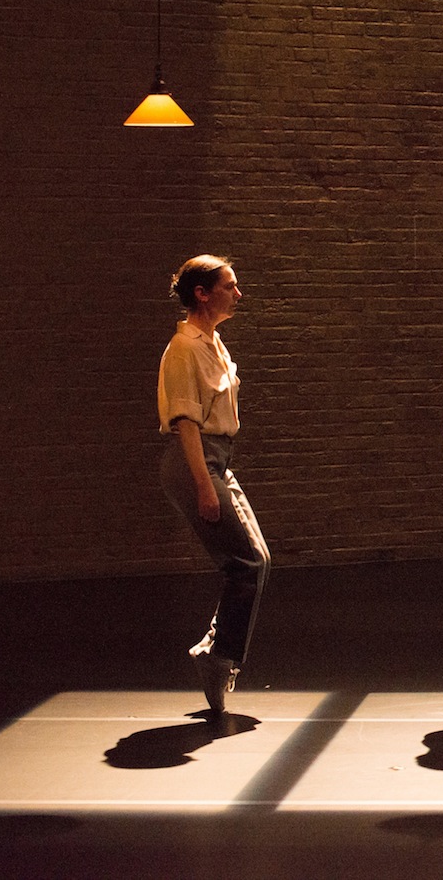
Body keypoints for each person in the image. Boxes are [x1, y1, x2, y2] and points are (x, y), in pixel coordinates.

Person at [157, 255, 269, 717]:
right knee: (244, 561)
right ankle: (218, 658)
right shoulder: (183, 349)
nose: (238, 294)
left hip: (218, 457)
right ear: (202, 293)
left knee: (256, 559)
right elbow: (185, 423)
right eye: (230, 286)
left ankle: (216, 652)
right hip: (195, 460)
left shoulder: (213, 344)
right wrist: (204, 486)